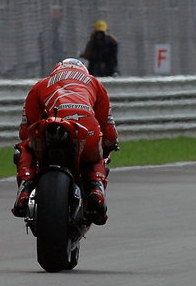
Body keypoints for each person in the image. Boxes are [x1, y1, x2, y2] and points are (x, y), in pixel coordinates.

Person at [12, 58, 119, 225]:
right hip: (86, 128)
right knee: (97, 155)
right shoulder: (95, 83)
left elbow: (25, 130)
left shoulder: (41, 84)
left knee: (25, 146)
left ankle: (25, 187)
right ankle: (96, 190)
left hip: (49, 129)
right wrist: (110, 143)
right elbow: (108, 125)